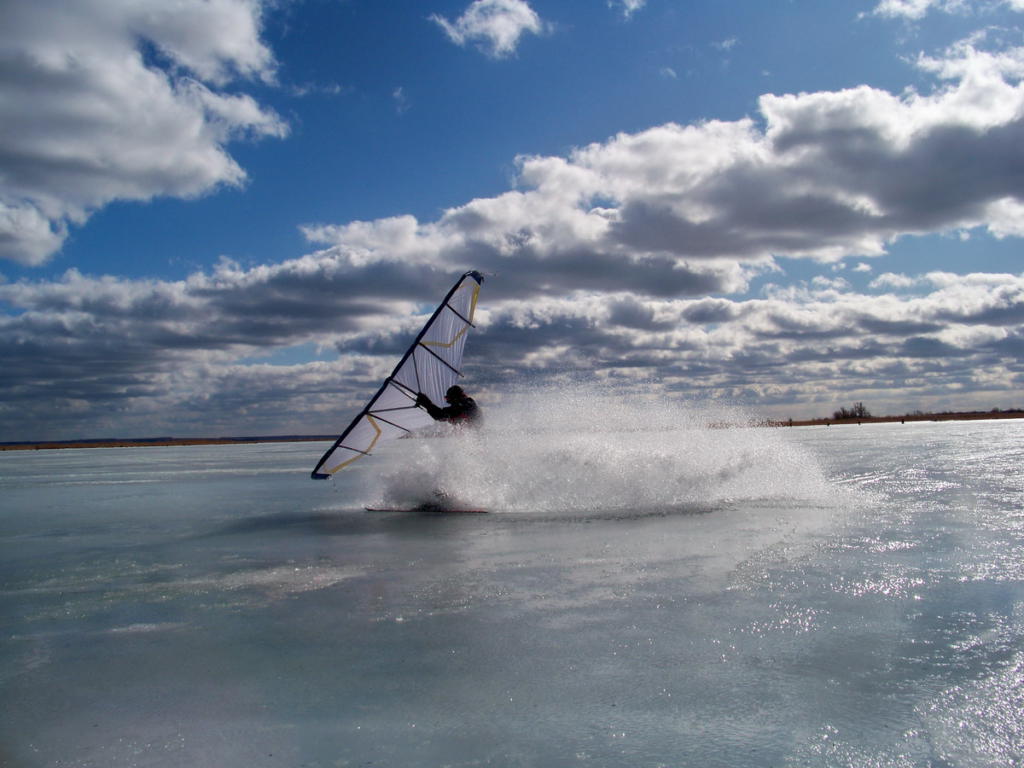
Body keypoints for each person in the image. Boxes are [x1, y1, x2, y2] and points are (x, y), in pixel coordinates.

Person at [415, 385, 481, 426]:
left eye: (448, 399)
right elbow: (442, 416)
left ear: (454, 398)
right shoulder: (468, 402)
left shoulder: (463, 405)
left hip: (474, 437)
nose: (448, 402)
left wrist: (426, 402)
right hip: (474, 437)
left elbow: (439, 415)